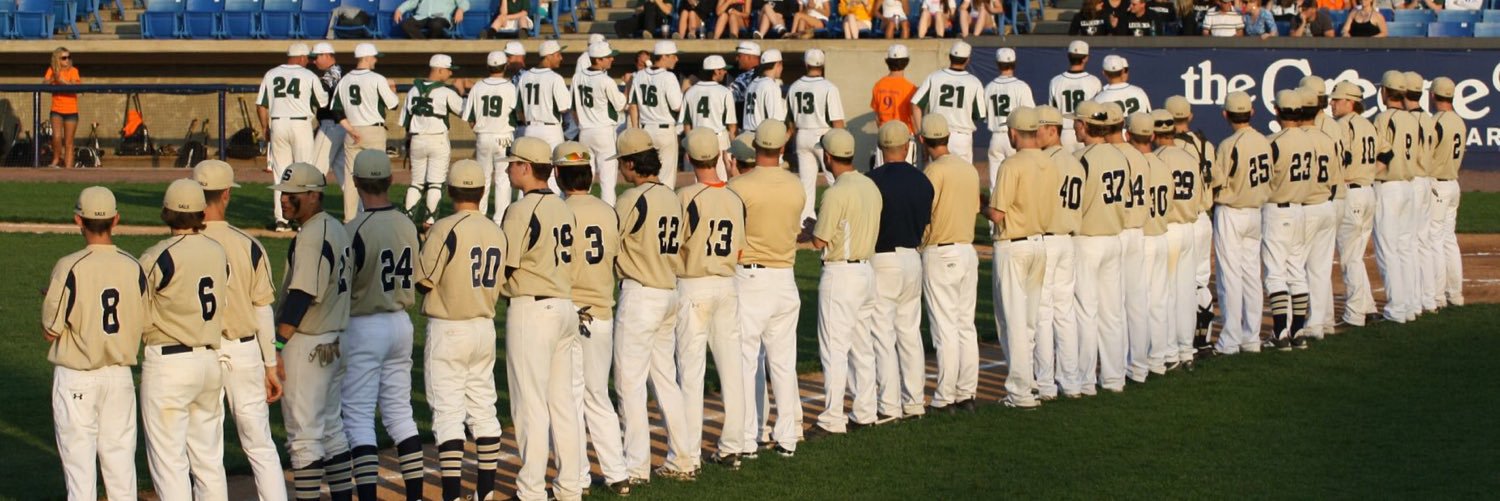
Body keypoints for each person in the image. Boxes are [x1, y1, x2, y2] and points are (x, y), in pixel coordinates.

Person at [191, 161, 288, 501]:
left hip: (201, 355)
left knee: (205, 450)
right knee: (260, 445)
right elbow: (263, 310)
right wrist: (269, 364)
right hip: (245, 352)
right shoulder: (249, 245)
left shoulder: (184, 246)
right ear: (227, 194)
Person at [607, 129, 698, 481]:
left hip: (642, 294)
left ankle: (636, 467)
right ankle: (683, 458)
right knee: (665, 380)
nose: (620, 171)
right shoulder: (672, 196)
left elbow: (613, 245)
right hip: (668, 292)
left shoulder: (633, 198)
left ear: (631, 163)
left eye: (622, 164)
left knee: (629, 384)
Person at [43, 187, 145, 501]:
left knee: (80, 473)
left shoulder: (70, 265)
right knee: (121, 471)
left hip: (77, 377)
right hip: (119, 378)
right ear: (116, 220)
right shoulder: (133, 266)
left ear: (78, 220)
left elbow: (50, 329)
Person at [497, 138, 584, 501]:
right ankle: (569, 488)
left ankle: (531, 490)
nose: (507, 168)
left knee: (530, 403)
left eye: (512, 163)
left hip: (533, 310)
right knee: (562, 404)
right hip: (565, 307)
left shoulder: (521, 210)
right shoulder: (564, 207)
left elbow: (507, 264)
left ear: (526, 167)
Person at [413, 159, 506, 501]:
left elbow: (423, 282)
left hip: (449, 329)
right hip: (484, 328)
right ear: (483, 192)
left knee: (448, 413)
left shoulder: (445, 227)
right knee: (484, 409)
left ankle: (452, 495)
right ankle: (486, 493)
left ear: (450, 191)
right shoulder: (497, 230)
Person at [138, 179, 231, 500]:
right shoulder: (217, 251)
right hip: (209, 361)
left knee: (169, 463)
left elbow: (135, 305)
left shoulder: (157, 256)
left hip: (169, 365)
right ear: (201, 213)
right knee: (209, 462)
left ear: (166, 212)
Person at [338, 151, 422, 501]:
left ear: (355, 183)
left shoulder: (352, 229)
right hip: (401, 324)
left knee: (357, 418)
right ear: (389, 181)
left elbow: (341, 286)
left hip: (364, 326)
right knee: (401, 414)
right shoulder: (407, 223)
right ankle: (415, 495)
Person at [551, 143, 632, 496]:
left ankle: (577, 477)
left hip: (568, 313)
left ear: (557, 174)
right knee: (597, 395)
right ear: (590, 173)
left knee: (566, 399)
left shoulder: (556, 212)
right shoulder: (608, 211)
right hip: (601, 312)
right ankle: (617, 473)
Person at [272, 163, 353, 501]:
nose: (284, 201)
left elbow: (302, 295)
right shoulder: (335, 227)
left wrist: (276, 344)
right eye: (283, 195)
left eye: (292, 196)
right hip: (336, 341)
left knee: (304, 436)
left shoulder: (311, 236)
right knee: (332, 430)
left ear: (313, 195)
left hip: (308, 345)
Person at [673, 129, 750, 469]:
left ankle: (689, 453)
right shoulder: (734, 197)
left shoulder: (685, 195)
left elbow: (675, 244)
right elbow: (741, 248)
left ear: (689, 158)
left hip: (694, 285)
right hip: (728, 284)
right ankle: (733, 446)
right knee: (732, 368)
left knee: (691, 373)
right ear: (719, 157)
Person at [729, 121, 806, 456]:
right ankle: (787, 438)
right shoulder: (796, 185)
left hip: (751, 277)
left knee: (746, 360)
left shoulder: (739, 186)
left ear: (756, 146)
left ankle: (748, 437)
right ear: (783, 148)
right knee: (783, 363)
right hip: (785, 276)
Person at [804, 129, 883, 436]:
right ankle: (865, 411)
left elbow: (819, 240)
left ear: (827, 156)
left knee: (835, 349)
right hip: (866, 272)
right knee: (862, 346)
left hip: (841, 274)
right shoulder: (870, 185)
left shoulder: (836, 192)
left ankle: (832, 418)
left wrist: (810, 230)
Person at [983, 107, 1059, 409]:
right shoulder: (1050, 163)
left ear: (1014, 133)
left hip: (1013, 246)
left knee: (1012, 320)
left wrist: (980, 206)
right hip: (1040, 244)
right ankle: (1030, 383)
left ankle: (1020, 392)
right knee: (1028, 321)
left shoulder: (1011, 165)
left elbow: (998, 214)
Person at [866, 122, 933, 418]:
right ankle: (915, 401)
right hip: (913, 258)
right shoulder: (923, 181)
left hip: (883, 259)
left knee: (882, 334)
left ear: (881, 148)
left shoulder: (872, 181)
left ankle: (889, 405)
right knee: (909, 333)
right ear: (907, 146)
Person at [919, 114, 982, 411]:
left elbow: (924, 213)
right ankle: (966, 393)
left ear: (923, 140)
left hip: (940, 251)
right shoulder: (968, 168)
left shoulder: (933, 171)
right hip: (967, 250)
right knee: (964, 325)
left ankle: (945, 397)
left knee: (945, 328)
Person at [1071, 101, 1127, 395]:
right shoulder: (1121, 156)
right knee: (1111, 312)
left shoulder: (1080, 158)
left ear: (1084, 125)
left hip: (1087, 241)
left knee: (1086, 311)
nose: (1074, 127)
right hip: (1113, 239)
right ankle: (1115, 377)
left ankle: (1085, 380)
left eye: (1076, 123)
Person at [1213, 92, 1272, 355]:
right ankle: (1252, 337)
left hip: (1232, 212)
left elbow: (1218, 180)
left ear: (1226, 115)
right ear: (1252, 112)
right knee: (1251, 274)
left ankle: (1230, 339)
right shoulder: (1264, 141)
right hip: (1255, 213)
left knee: (1230, 277)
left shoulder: (1229, 145)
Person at [1032, 106, 1084, 397]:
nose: (1034, 134)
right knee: (1065, 312)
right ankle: (1071, 381)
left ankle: (1045, 382)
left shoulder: (1044, 163)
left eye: (1037, 129)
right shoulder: (1075, 162)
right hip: (1068, 241)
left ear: (1052, 130)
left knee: (1042, 312)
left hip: (1049, 240)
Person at [1102, 108, 1152, 384]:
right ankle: (1139, 366)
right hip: (1139, 231)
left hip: (1119, 231)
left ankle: (1116, 369)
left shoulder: (1112, 156)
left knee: (1113, 305)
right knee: (1136, 301)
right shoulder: (1139, 155)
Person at [1262, 90, 1314, 350]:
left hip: (1277, 209)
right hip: (1301, 209)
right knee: (1297, 270)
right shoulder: (1309, 141)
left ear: (1278, 111)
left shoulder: (1274, 141)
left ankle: (1281, 332)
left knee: (1275, 273)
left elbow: (1265, 179)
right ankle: (1299, 330)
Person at [1164, 95, 1218, 349]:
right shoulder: (1205, 142)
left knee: (1176, 284)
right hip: (1203, 219)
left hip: (1180, 219)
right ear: (1190, 116)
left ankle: (1179, 341)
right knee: (1199, 281)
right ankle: (1203, 339)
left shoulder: (1169, 148)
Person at [1150, 111, 1202, 370]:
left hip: (1167, 230)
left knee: (1166, 293)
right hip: (1189, 228)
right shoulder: (1189, 157)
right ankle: (1186, 351)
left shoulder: (1156, 159)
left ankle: (1170, 353)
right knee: (1185, 292)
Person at [258, 43, 329, 232]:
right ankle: (302, 218)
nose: (308, 60)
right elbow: (323, 101)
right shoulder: (308, 75)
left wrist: (265, 127)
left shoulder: (271, 73)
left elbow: (261, 105)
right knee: (303, 173)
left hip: (278, 123)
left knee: (280, 174)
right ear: (301, 57)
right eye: (307, 57)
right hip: (300, 124)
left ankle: (281, 219)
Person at [1330, 81, 1380, 327]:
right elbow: (1386, 156)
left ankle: (1354, 314)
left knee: (1350, 257)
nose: (1332, 103)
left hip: (1351, 192)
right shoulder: (1369, 124)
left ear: (1350, 102)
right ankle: (1368, 307)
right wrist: (1367, 173)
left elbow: (1343, 157)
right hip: (1368, 191)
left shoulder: (1343, 125)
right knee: (1356, 255)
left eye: (1336, 100)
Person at [332, 43, 399, 223]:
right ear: (367, 58)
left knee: (352, 177)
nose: (376, 60)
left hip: (352, 131)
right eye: (374, 57)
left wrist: (351, 130)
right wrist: (393, 89)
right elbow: (393, 104)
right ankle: (376, 215)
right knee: (377, 175)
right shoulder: (377, 78)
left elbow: (336, 111)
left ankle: (350, 219)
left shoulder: (345, 80)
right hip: (373, 130)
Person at [1372, 70, 1419, 323]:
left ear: (1386, 92)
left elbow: (1382, 154)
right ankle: (1409, 304)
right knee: (1405, 248)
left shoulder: (1384, 118)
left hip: (1389, 186)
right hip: (1409, 186)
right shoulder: (1414, 119)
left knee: (1388, 249)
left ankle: (1396, 308)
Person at [400, 54, 467, 229]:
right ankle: (429, 222)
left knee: (416, 183)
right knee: (436, 183)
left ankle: (407, 219)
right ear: (439, 69)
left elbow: (404, 121)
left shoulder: (413, 90)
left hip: (417, 139)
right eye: (448, 70)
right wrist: (460, 91)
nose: (450, 73)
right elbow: (465, 111)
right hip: (437, 140)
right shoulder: (445, 92)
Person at [1298, 88, 1341, 342]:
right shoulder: (1327, 136)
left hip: (1307, 206)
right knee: (1320, 269)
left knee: (1298, 268)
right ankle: (1323, 321)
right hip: (1327, 203)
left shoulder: (1300, 138)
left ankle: (1306, 323)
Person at [787, 48, 846, 230]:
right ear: (823, 64)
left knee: (806, 183)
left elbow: (789, 120)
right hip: (823, 135)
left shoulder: (795, 86)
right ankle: (843, 219)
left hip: (802, 134)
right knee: (835, 179)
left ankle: (805, 222)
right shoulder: (829, 87)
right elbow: (837, 121)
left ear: (806, 64)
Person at [464, 51, 522, 221]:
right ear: (505, 66)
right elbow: (518, 113)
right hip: (504, 136)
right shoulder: (510, 87)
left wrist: (480, 130)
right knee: (503, 179)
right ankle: (500, 220)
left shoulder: (478, 86)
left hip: (483, 136)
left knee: (484, 178)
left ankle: (479, 217)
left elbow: (470, 119)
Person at [912, 42, 988, 164]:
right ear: (967, 60)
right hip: (961, 137)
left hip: (936, 136)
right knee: (962, 179)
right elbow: (979, 115)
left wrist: (921, 132)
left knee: (936, 178)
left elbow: (915, 105)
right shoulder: (974, 82)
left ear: (950, 56)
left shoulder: (934, 77)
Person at [574, 42, 629, 206]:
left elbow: (573, 108)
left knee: (584, 180)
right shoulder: (606, 80)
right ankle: (609, 214)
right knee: (607, 181)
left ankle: (582, 210)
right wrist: (627, 86)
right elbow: (621, 105)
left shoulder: (577, 77)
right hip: (604, 131)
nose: (612, 59)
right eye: (608, 57)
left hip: (585, 131)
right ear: (598, 60)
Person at [1428, 77, 1466, 308]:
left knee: (1434, 240)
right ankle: (1455, 294)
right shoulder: (1459, 121)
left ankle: (1438, 296)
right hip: (1453, 182)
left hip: (1438, 185)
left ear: (1433, 95)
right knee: (1448, 239)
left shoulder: (1436, 122)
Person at [628, 41, 686, 187]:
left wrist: (635, 129)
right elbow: (677, 106)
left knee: (647, 175)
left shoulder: (639, 75)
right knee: (666, 177)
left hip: (646, 129)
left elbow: (633, 105)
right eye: (673, 56)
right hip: (665, 130)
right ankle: (664, 207)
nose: (676, 59)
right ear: (664, 56)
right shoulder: (669, 77)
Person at [1406, 71, 1440, 316]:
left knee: (1410, 241)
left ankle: (1415, 299)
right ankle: (1429, 298)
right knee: (1424, 240)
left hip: (1415, 180)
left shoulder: (1409, 121)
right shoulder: (1429, 119)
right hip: (1428, 179)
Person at [984, 48, 1035, 197]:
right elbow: (1030, 114)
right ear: (1014, 63)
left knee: (995, 182)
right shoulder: (1021, 86)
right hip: (1016, 136)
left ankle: (994, 220)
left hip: (996, 137)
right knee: (1019, 180)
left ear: (997, 64)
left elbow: (985, 115)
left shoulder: (989, 87)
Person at [680, 55, 739, 180]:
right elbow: (732, 125)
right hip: (719, 140)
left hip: (698, 139)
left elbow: (687, 124)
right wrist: (734, 146)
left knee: (701, 180)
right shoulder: (724, 92)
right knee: (723, 179)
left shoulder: (690, 92)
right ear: (716, 71)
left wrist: (689, 145)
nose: (725, 72)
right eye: (723, 69)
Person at [519, 41, 574, 156]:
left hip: (530, 129)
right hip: (551, 130)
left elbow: (519, 109)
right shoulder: (555, 78)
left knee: (533, 169)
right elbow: (564, 108)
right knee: (554, 169)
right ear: (548, 56)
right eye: (558, 55)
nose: (561, 58)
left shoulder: (524, 76)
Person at [309, 44, 347, 208]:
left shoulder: (334, 71)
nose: (313, 61)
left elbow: (322, 91)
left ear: (326, 55)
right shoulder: (339, 71)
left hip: (331, 125)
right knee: (343, 171)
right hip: (341, 126)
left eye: (315, 57)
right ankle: (361, 210)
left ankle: (309, 212)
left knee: (315, 171)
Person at [1049, 41, 1102, 152]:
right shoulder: (1094, 81)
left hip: (1064, 133)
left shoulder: (1055, 81)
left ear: (1068, 56)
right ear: (1085, 58)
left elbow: (1052, 113)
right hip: (1087, 131)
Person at [44, 47, 80, 169]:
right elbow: (44, 83)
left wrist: (63, 81)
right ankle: (56, 159)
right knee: (57, 137)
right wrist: (55, 78)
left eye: (69, 57)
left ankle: (69, 168)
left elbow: (76, 85)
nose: (67, 60)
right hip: (56, 110)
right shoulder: (52, 70)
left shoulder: (74, 70)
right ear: (57, 59)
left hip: (71, 111)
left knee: (69, 142)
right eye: (64, 58)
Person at [743, 49, 787, 135]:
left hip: (746, 135)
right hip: (761, 138)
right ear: (778, 64)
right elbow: (776, 122)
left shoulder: (753, 83)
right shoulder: (771, 85)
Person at [394, 0, 467, 39]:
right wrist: (399, 10)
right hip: (422, 16)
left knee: (436, 25)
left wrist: (461, 10)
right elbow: (412, 2)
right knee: (406, 24)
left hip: (441, 17)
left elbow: (464, 2)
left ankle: (429, 47)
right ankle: (426, 47)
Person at [730, 42, 762, 110]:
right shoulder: (763, 73)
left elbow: (726, 97)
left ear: (749, 57)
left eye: (739, 56)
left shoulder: (747, 76)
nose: (737, 59)